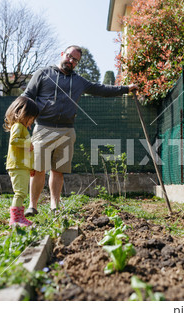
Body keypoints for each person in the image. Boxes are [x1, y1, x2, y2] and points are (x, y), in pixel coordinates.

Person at [22, 45, 138, 216]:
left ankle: (55, 206)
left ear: (77, 63)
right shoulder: (43, 73)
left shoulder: (79, 81)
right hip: (43, 128)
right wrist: (24, 118)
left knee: (58, 170)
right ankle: (33, 206)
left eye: (75, 59)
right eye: (69, 56)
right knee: (39, 169)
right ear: (62, 54)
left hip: (67, 131)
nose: (70, 60)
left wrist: (126, 88)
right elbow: (27, 95)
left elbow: (101, 89)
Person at [3, 96, 39, 226]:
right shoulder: (18, 126)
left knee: (22, 192)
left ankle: (18, 217)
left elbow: (26, 151)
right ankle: (15, 219)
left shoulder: (22, 128)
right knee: (20, 192)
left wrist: (31, 167)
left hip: (22, 166)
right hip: (17, 165)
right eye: (31, 118)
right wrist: (28, 142)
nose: (32, 122)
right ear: (23, 114)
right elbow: (13, 141)